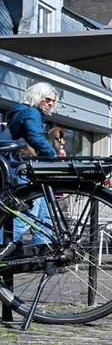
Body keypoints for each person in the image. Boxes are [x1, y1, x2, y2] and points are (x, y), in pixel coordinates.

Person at [6, 82, 61, 247]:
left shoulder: (25, 112)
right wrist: (54, 156)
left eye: (53, 101)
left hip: (24, 166)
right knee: (31, 211)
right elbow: (35, 137)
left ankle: (42, 247)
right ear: (37, 97)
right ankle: (13, 249)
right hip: (26, 168)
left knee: (42, 210)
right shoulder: (30, 112)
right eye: (47, 99)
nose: (50, 103)